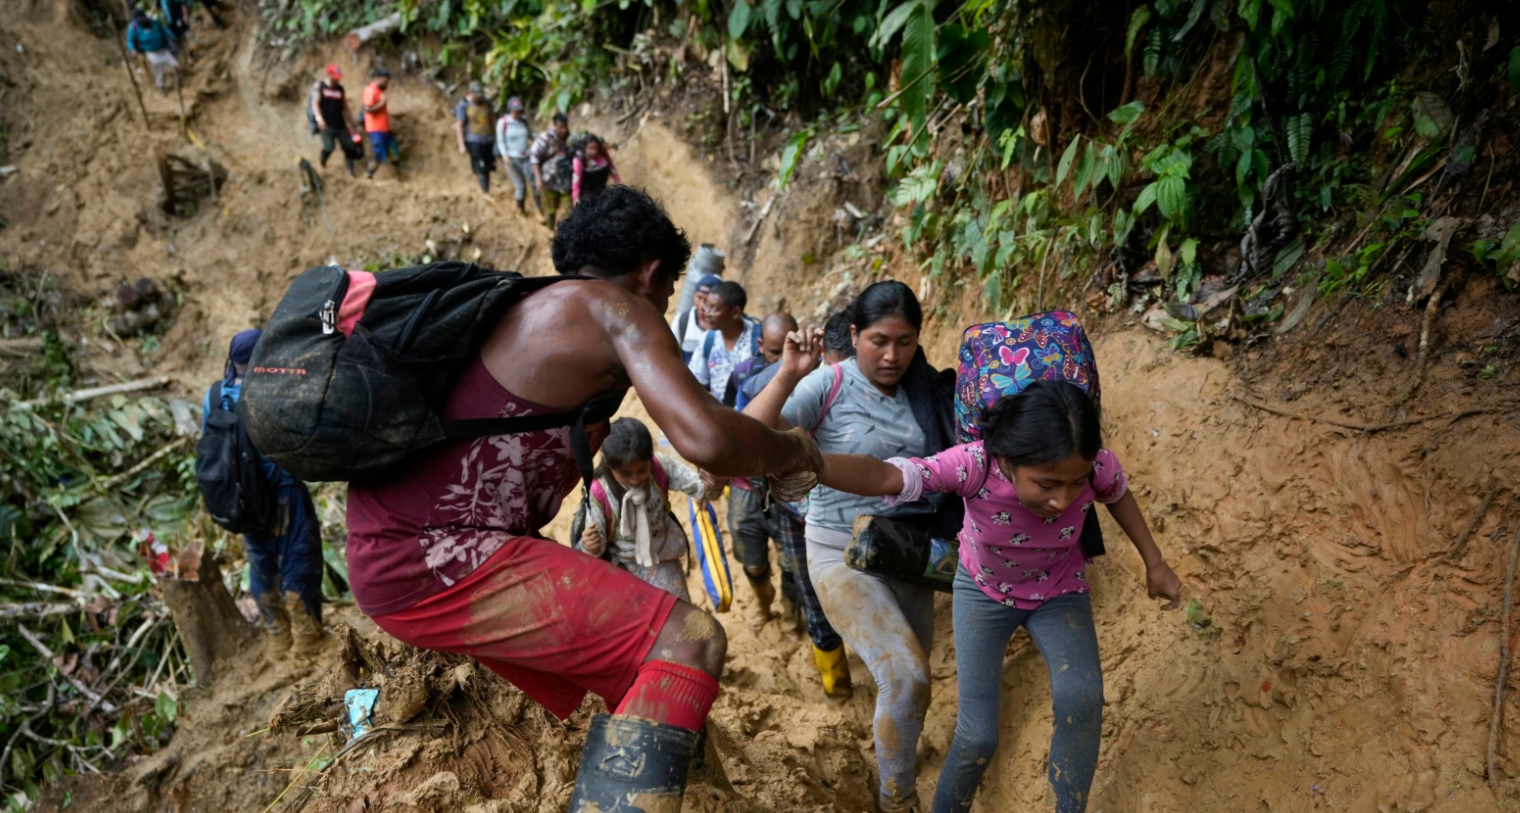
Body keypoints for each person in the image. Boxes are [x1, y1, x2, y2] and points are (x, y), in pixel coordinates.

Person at [344, 186, 822, 810]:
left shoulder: (532, 303)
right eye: (671, 287)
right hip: (433, 555)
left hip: (402, 548)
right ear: (649, 273)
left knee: (643, 669)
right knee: (692, 639)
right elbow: (706, 435)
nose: (667, 302)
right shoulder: (615, 308)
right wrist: (794, 454)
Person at [817, 380, 1184, 813]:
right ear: (1008, 460)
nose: (1062, 499)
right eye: (1046, 483)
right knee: (978, 735)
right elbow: (888, 475)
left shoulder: (1097, 466)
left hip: (1059, 590)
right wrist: (808, 461)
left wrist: (1154, 562)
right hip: (983, 594)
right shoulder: (975, 464)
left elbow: (1118, 494)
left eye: (1075, 483)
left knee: (1082, 700)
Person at [744, 281, 957, 812]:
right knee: (904, 676)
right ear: (855, 334)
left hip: (908, 552)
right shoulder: (827, 384)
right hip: (840, 552)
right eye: (878, 340)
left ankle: (895, 757)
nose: (891, 355)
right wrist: (790, 372)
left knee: (914, 678)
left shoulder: (924, 389)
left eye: (905, 341)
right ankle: (896, 799)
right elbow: (744, 437)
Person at [733, 309, 853, 698]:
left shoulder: (882, 389)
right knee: (805, 585)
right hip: (795, 508)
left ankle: (836, 673)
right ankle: (835, 681)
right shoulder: (765, 384)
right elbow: (740, 436)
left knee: (812, 585)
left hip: (845, 507)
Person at [202, 330, 327, 660]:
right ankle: (307, 638)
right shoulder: (269, 391)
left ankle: (277, 638)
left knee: (261, 566)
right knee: (298, 559)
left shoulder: (214, 395)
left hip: (243, 503)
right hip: (283, 493)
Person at [578, 418, 711, 601]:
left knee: (679, 614)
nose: (635, 480)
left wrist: (714, 479)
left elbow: (701, 488)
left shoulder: (660, 467)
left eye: (642, 470)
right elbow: (597, 545)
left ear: (651, 458)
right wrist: (590, 545)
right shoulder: (598, 492)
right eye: (625, 474)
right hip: (622, 563)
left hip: (663, 555)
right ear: (609, 465)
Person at [687, 280, 760, 406]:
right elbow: (695, 382)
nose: (707, 313)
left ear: (735, 312)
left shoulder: (758, 341)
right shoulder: (708, 340)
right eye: (707, 306)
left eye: (714, 309)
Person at [311, 64, 359, 177]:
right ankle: (321, 164)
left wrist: (351, 123)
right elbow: (315, 103)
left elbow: (345, 107)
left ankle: (351, 171)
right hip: (327, 124)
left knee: (349, 146)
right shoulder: (321, 86)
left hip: (340, 123)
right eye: (335, 76)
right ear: (329, 75)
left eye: (338, 76)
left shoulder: (340, 89)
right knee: (329, 147)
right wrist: (319, 118)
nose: (337, 79)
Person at [529, 112, 572, 229]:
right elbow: (534, 158)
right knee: (550, 209)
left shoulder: (568, 138)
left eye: (565, 127)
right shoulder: (545, 138)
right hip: (548, 180)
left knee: (567, 209)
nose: (563, 130)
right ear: (554, 126)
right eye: (560, 127)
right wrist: (538, 179)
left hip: (564, 180)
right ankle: (550, 229)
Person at [496, 97, 538, 215]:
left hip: (525, 156)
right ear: (510, 110)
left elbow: (529, 134)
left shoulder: (523, 121)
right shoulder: (503, 123)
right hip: (512, 159)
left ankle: (538, 208)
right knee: (520, 185)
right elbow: (500, 141)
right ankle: (521, 209)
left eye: (519, 111)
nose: (518, 113)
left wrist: (541, 137)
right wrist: (505, 155)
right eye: (516, 111)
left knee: (534, 182)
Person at [455, 82, 496, 194]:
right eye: (476, 95)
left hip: (488, 140)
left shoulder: (487, 103)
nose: (478, 98)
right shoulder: (463, 105)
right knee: (480, 167)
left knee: (488, 168)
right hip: (474, 141)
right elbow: (460, 125)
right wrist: (461, 144)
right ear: (470, 92)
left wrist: (497, 137)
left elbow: (492, 119)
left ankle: (486, 189)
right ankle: (485, 192)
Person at [125, 10, 179, 96]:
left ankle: (178, 82)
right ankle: (162, 86)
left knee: (175, 65)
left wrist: (173, 37)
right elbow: (130, 41)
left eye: (143, 18)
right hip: (151, 52)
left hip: (163, 49)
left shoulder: (154, 22)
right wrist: (133, 49)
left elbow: (164, 30)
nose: (143, 20)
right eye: (140, 19)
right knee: (158, 69)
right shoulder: (134, 27)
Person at [671, 274, 720, 365]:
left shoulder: (723, 324)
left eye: (707, 300)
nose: (701, 305)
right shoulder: (683, 321)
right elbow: (671, 354)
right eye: (699, 297)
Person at [362, 68, 399, 179]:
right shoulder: (371, 91)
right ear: (377, 78)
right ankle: (368, 174)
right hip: (376, 129)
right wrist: (381, 104)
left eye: (387, 81)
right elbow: (367, 109)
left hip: (384, 128)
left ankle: (398, 175)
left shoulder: (380, 91)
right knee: (378, 154)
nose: (386, 83)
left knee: (394, 151)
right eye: (384, 81)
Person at [572, 134, 620, 206]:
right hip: (586, 196)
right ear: (585, 147)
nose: (594, 151)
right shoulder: (579, 160)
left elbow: (612, 169)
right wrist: (576, 198)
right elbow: (576, 181)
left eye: (595, 148)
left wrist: (618, 183)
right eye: (590, 148)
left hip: (602, 192)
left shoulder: (603, 155)